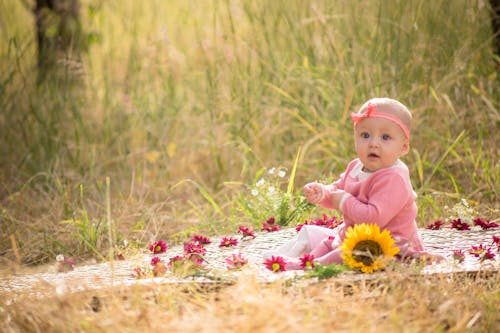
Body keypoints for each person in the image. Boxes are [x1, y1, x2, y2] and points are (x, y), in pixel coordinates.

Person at [264, 97, 432, 270]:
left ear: (403, 147)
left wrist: (344, 200)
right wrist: (324, 192)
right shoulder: (356, 166)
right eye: (365, 135)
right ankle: (305, 259)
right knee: (328, 243)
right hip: (358, 237)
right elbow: (338, 189)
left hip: (390, 246)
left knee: (344, 253)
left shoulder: (394, 178)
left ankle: (311, 265)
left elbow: (373, 218)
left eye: (385, 137)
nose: (373, 144)